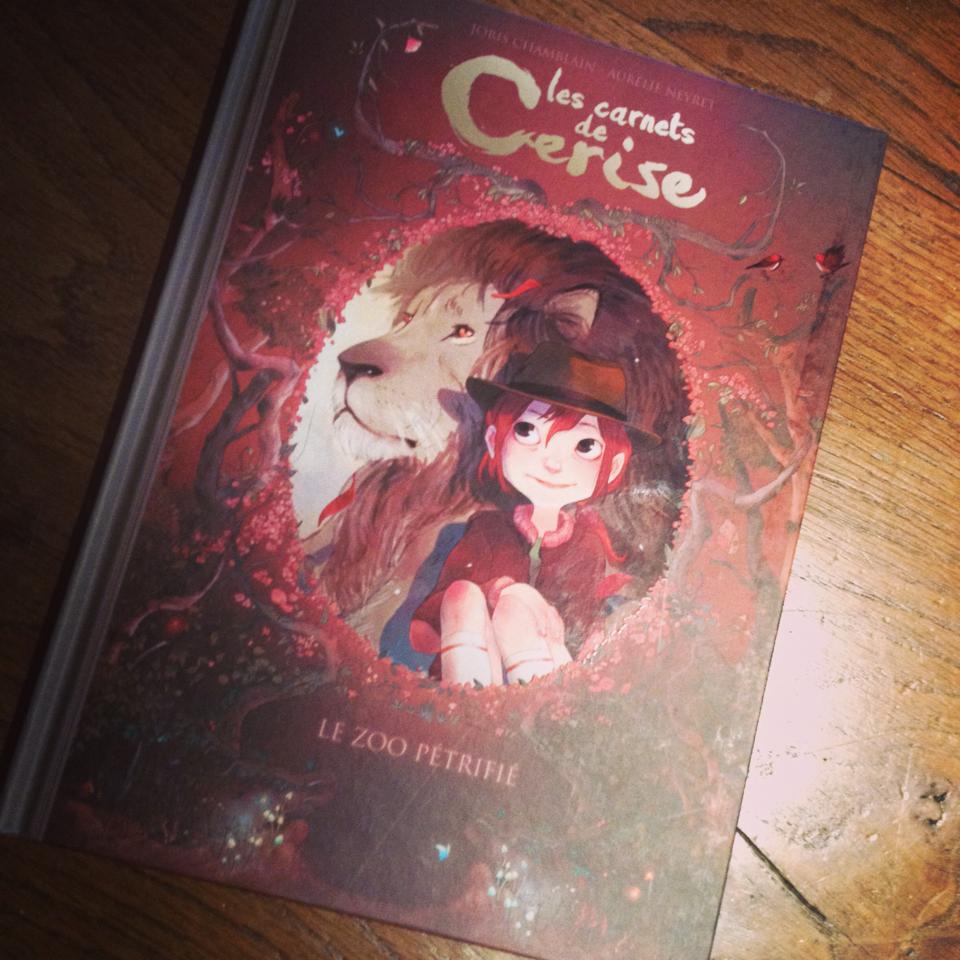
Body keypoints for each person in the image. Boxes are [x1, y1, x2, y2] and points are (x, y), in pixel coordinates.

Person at [409, 342, 660, 685]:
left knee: (519, 605)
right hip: (468, 681)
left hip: (542, 688)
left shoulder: (586, 545)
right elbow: (422, 633)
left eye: (585, 446)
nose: (552, 462)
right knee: (466, 595)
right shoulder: (487, 531)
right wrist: (486, 596)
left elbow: (581, 626)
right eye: (527, 431)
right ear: (494, 439)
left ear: (614, 464)